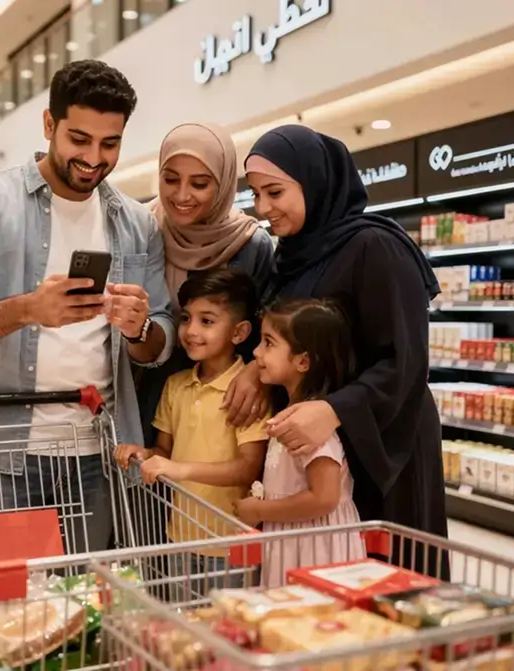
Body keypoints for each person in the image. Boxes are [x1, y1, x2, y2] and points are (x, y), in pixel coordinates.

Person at [0, 59, 174, 555]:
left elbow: (158, 339)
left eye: (110, 144)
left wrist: (139, 327)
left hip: (97, 456)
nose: (94, 158)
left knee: (84, 612)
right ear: (48, 125)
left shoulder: (136, 223)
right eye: (79, 139)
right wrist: (27, 309)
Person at [227, 125, 448, 557]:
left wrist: (333, 410)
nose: (263, 208)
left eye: (274, 192)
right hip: (317, 451)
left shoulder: (375, 247)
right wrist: (258, 366)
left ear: (314, 182)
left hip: (383, 446)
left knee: (383, 585)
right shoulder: (290, 255)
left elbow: (404, 360)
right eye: (255, 194)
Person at [113, 268, 267, 593]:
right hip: (179, 537)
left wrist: (177, 468)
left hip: (231, 544)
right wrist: (142, 454)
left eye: (207, 321)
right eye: (186, 318)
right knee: (183, 628)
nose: (191, 330)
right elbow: (163, 453)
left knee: (226, 633)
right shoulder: (175, 385)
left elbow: (247, 468)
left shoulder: (248, 393)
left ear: (239, 332)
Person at [137, 122, 274, 446]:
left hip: (228, 405)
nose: (182, 195)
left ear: (224, 183)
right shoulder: (143, 230)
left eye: (199, 184)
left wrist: (255, 373)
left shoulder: (249, 244)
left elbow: (265, 327)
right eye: (170, 179)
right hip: (148, 396)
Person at [233, 298, 366, 586]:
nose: (256, 352)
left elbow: (325, 497)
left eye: (268, 343)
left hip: (316, 550)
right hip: (295, 541)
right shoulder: (294, 415)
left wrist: (259, 510)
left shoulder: (311, 429)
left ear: (303, 361)